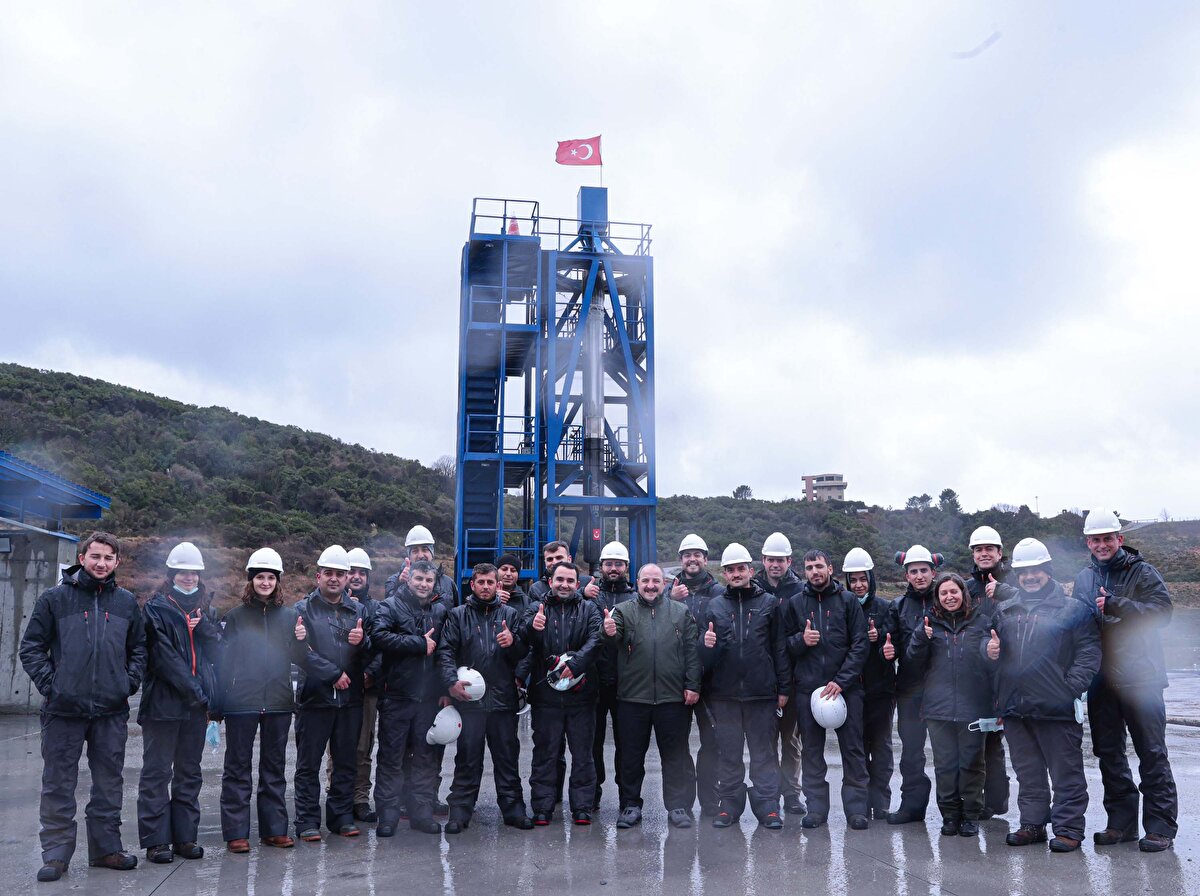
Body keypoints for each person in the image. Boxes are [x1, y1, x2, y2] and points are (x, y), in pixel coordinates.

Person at [20, 531, 147, 882]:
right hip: (63, 711)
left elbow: (139, 649)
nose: (101, 563)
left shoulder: (125, 603)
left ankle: (106, 849)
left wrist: (127, 682)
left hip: (110, 710)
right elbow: (31, 647)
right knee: (58, 783)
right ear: (81, 558)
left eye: (108, 558)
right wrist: (53, 686)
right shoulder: (54, 599)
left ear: (117, 562)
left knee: (109, 783)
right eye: (95, 556)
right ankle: (56, 854)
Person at [986, 538, 1101, 853]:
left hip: (1056, 709)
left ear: (1047, 571)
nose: (1030, 576)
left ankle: (1068, 830)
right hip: (1014, 708)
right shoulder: (1005, 610)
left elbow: (1089, 653)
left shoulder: (1073, 609)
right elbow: (990, 649)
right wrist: (989, 650)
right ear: (1017, 576)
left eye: (1036, 570)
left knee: (1066, 773)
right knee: (1027, 772)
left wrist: (1068, 687)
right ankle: (1032, 825)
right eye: (1024, 572)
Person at [1073, 508, 1178, 853]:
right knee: (1109, 754)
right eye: (1096, 539)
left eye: (1108, 538)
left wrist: (1118, 605)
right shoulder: (1084, 578)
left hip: (1142, 678)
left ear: (1120, 539)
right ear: (1088, 542)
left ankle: (1160, 827)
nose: (1102, 544)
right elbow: (1076, 623)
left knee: (1151, 752)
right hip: (1101, 680)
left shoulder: (1142, 572)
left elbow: (1162, 612)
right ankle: (1122, 823)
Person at [137, 541, 221, 864]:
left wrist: (205, 629)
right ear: (171, 574)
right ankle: (157, 841)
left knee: (189, 772)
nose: (189, 578)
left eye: (194, 573)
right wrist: (198, 695)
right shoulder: (156, 609)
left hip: (196, 709)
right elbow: (164, 659)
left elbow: (218, 656)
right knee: (157, 773)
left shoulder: (205, 610)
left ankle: (185, 837)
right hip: (163, 705)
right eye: (183, 572)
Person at [216, 547, 302, 853]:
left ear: (278, 581)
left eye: (270, 577)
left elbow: (299, 657)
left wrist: (302, 640)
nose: (265, 582)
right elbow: (224, 663)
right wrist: (218, 703)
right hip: (242, 702)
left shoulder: (291, 617)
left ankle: (274, 830)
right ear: (250, 581)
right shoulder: (235, 618)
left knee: (273, 768)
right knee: (238, 768)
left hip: (278, 701)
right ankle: (236, 833)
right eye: (259, 577)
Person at [698, 543, 790, 830]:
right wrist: (706, 645)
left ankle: (769, 808)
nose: (736, 574)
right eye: (730, 570)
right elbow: (705, 657)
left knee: (764, 754)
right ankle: (729, 807)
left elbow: (780, 649)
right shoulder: (715, 606)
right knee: (729, 754)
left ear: (751, 570)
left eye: (741, 569)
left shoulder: (769, 604)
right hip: (724, 696)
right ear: (724, 573)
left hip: (761, 693)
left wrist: (783, 689)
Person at [603, 563, 700, 829]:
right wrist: (608, 632)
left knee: (676, 756)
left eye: (656, 581)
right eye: (645, 580)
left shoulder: (680, 612)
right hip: (632, 699)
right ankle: (630, 805)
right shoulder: (623, 611)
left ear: (664, 584)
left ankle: (678, 806)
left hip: (672, 699)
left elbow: (692, 652)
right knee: (630, 757)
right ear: (636, 583)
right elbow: (612, 639)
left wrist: (693, 685)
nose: (650, 586)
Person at [437, 563, 532, 832]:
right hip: (470, 700)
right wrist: (451, 683)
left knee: (506, 758)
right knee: (467, 757)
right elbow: (445, 652)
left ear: (498, 585)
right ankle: (460, 812)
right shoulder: (457, 615)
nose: (486, 587)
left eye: (491, 582)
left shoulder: (511, 615)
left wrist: (512, 643)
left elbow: (524, 653)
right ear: (473, 584)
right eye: (481, 582)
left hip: (503, 700)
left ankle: (514, 810)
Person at [783, 549, 870, 830]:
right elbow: (785, 646)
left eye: (819, 566)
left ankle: (856, 809)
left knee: (853, 750)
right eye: (809, 567)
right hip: (809, 690)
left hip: (846, 689)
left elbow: (860, 645)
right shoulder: (795, 603)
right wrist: (801, 640)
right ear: (804, 571)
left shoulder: (848, 601)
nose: (814, 572)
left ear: (830, 569)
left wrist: (841, 681)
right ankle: (817, 809)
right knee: (811, 752)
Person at [292, 545, 371, 841]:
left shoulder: (358, 610)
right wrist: (333, 674)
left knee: (346, 761)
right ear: (318, 576)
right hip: (315, 699)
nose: (335, 579)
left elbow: (371, 652)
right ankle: (307, 821)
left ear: (347, 577)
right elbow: (298, 652)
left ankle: (341, 818)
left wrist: (362, 642)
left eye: (340, 574)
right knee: (308, 764)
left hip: (350, 701)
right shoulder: (302, 610)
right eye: (329, 574)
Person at [905, 573, 993, 837]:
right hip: (938, 707)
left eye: (953, 591)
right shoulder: (929, 625)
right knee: (945, 765)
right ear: (938, 597)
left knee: (972, 764)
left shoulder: (981, 622)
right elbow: (912, 663)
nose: (949, 597)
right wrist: (920, 637)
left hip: (974, 706)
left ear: (963, 593)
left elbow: (993, 663)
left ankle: (971, 815)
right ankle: (950, 815)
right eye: (943, 593)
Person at [369, 559, 448, 836]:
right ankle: (388, 816)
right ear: (408, 579)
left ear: (434, 583)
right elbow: (378, 636)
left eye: (428, 581)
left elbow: (445, 652)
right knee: (391, 758)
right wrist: (417, 643)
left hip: (428, 700)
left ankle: (422, 813)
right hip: (397, 697)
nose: (423, 585)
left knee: (425, 759)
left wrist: (446, 690)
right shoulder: (389, 606)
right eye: (419, 579)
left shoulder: (440, 610)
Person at [522, 561, 603, 825]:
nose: (564, 585)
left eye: (570, 581)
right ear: (550, 581)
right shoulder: (536, 608)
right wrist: (533, 628)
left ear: (577, 584)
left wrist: (575, 664)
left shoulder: (589, 608)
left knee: (582, 753)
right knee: (545, 753)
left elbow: (596, 638)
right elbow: (522, 638)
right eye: (560, 580)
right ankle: (543, 807)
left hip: (582, 696)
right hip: (546, 697)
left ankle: (582, 807)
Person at [668, 533, 725, 816]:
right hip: (676, 680)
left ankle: (710, 800)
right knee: (677, 745)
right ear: (681, 559)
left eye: (697, 554)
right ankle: (681, 804)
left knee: (712, 743)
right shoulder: (669, 590)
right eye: (687, 554)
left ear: (705, 558)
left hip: (710, 681)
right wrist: (670, 599)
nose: (692, 559)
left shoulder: (719, 593)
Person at [886, 544, 941, 824]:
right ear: (906, 575)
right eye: (913, 572)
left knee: (947, 753)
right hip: (909, 689)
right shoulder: (897, 606)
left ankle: (953, 809)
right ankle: (912, 806)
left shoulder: (946, 598)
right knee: (911, 753)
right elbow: (892, 645)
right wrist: (887, 651)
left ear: (934, 571)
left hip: (945, 689)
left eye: (923, 571)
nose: (919, 576)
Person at [843, 547, 897, 821]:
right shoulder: (843, 606)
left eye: (863, 578)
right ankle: (860, 804)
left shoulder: (886, 608)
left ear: (871, 579)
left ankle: (881, 802)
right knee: (857, 748)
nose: (858, 584)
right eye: (853, 580)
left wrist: (880, 639)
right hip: (853, 690)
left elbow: (893, 645)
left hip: (881, 689)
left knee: (882, 747)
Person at [754, 531, 804, 816]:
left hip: (793, 678)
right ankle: (769, 794)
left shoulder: (799, 592)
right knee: (765, 743)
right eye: (771, 560)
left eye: (780, 560)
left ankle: (792, 795)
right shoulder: (753, 588)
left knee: (791, 742)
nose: (775, 564)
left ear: (789, 561)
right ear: (763, 560)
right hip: (761, 679)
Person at [964, 525, 1011, 819]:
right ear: (973, 554)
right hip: (975, 676)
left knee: (997, 743)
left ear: (999, 553)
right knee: (977, 741)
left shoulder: (1016, 582)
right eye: (979, 549)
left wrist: (1005, 592)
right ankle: (979, 801)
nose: (984, 554)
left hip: (1008, 674)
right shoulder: (967, 589)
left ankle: (998, 802)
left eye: (989, 549)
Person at [589, 541, 636, 811]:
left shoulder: (636, 597)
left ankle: (626, 796)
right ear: (601, 567)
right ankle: (593, 791)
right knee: (592, 743)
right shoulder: (590, 596)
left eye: (619, 563)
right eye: (609, 564)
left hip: (626, 682)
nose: (614, 568)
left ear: (626, 567)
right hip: (595, 681)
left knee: (626, 743)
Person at [345, 547, 382, 824]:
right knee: (338, 747)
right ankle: (339, 797)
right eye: (352, 572)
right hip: (335, 686)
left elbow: (382, 647)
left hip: (366, 688)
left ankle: (359, 799)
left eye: (361, 573)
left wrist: (371, 673)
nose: (356, 577)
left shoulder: (376, 608)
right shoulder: (324, 604)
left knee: (363, 747)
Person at [385, 525, 460, 606]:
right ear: (409, 556)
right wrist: (401, 584)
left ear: (432, 553)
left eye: (425, 549)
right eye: (415, 551)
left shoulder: (448, 583)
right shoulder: (394, 581)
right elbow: (389, 610)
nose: (420, 555)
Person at [496, 552, 532, 617]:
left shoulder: (526, 601)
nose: (508, 574)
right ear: (496, 571)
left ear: (518, 574)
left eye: (513, 570)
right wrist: (493, 600)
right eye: (504, 569)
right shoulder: (485, 595)